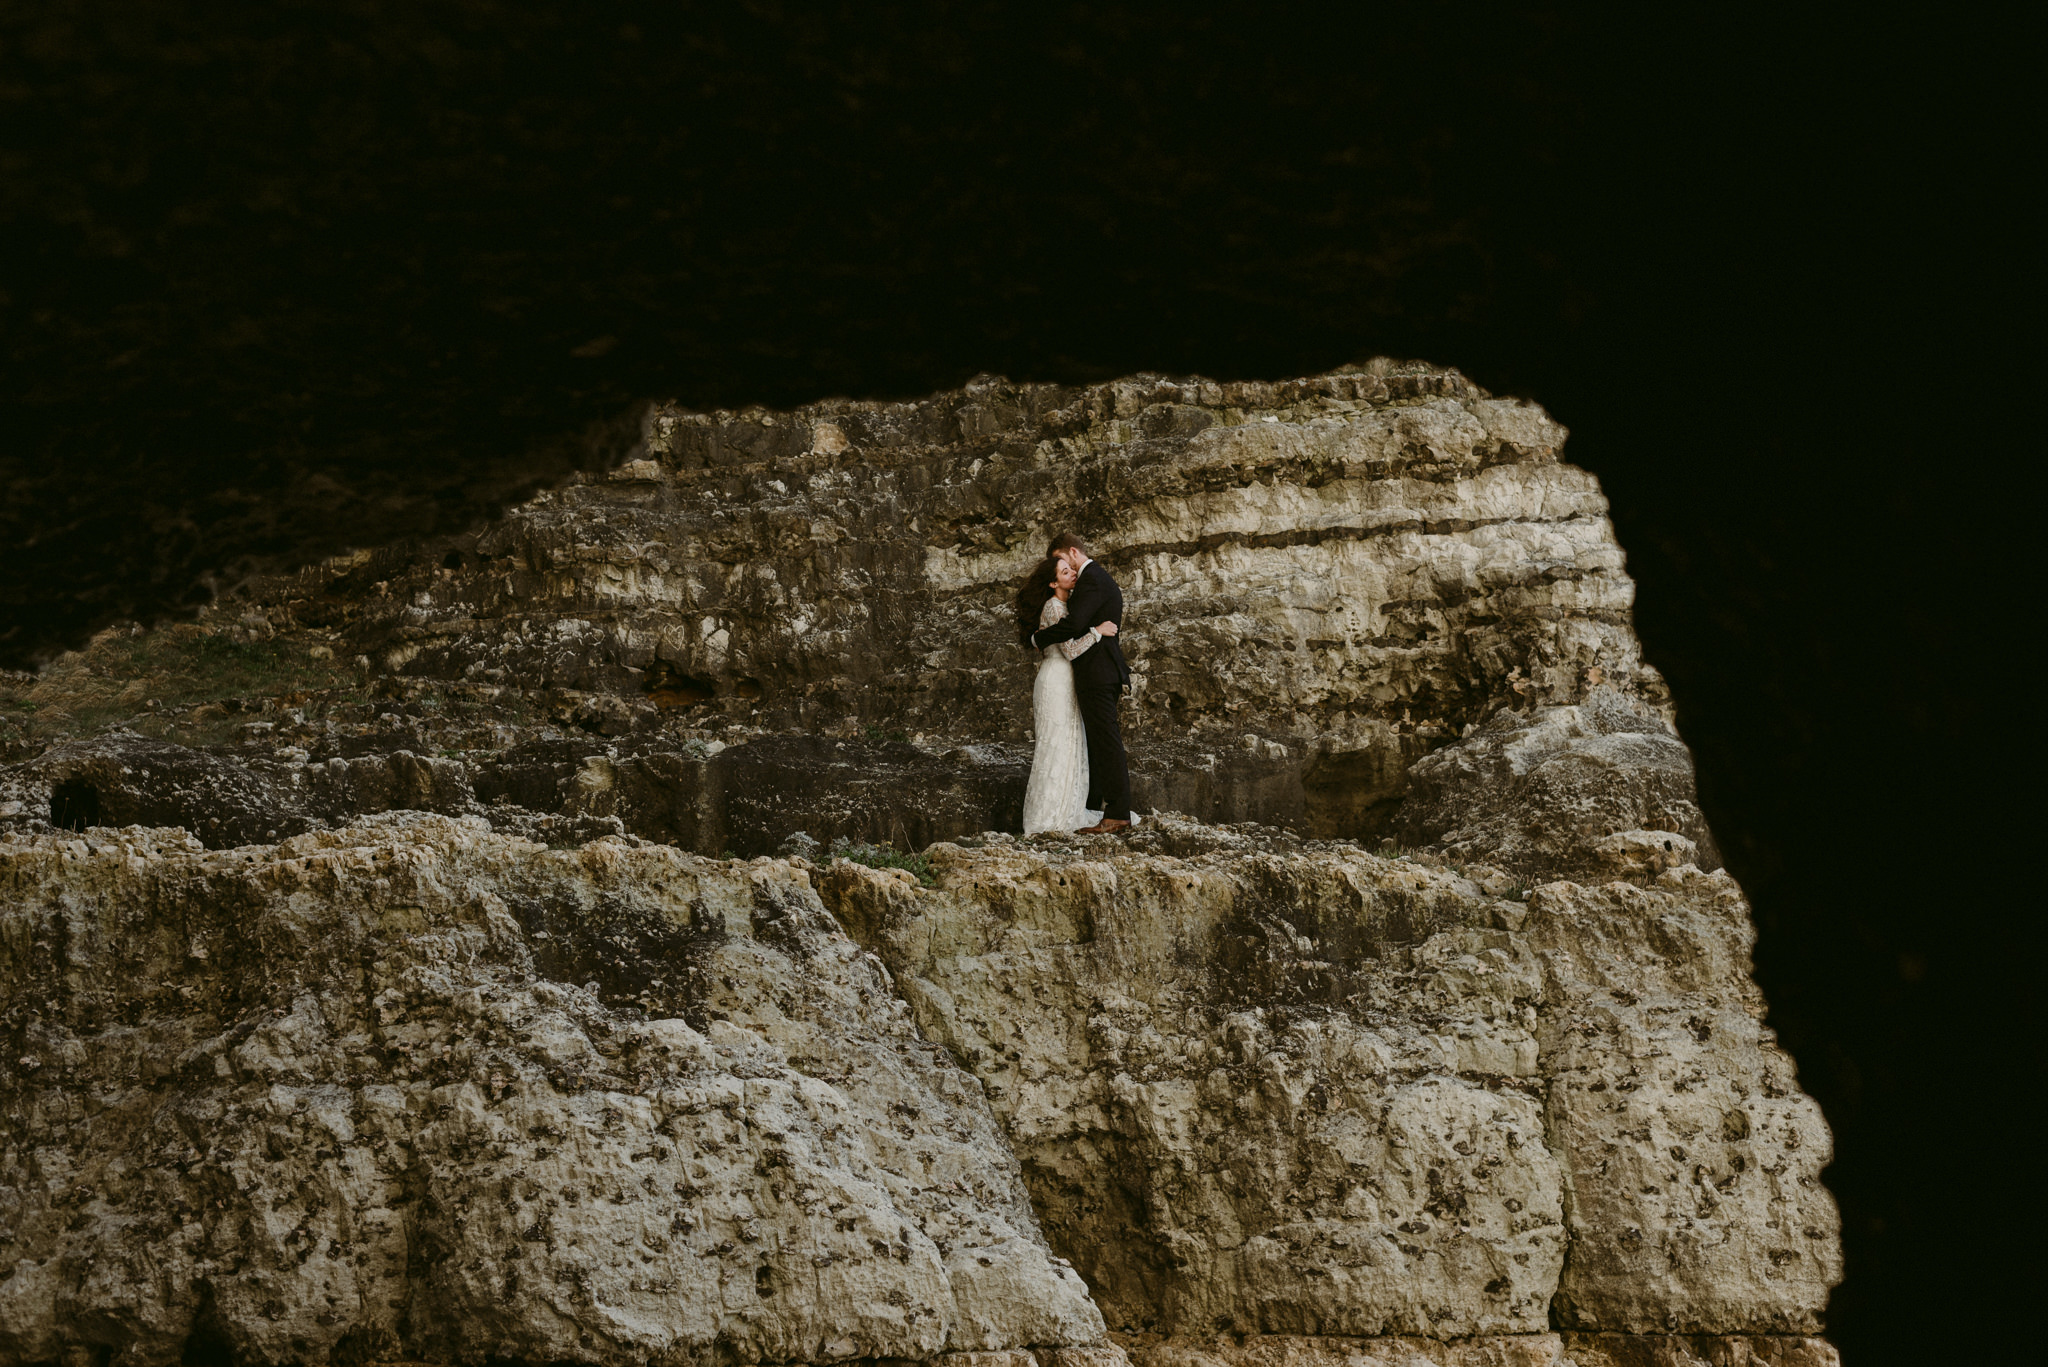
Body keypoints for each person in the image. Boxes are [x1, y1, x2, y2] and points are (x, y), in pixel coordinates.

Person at [1022, 533, 1132, 834]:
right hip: (1083, 674)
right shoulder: (1082, 586)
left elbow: (1071, 626)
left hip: (1098, 674)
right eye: (1060, 570)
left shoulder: (1093, 579)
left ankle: (1117, 811)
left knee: (1104, 743)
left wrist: (1036, 638)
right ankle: (1096, 807)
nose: (1064, 569)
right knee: (1091, 743)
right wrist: (1095, 630)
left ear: (1072, 552)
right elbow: (1071, 630)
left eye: (1063, 561)